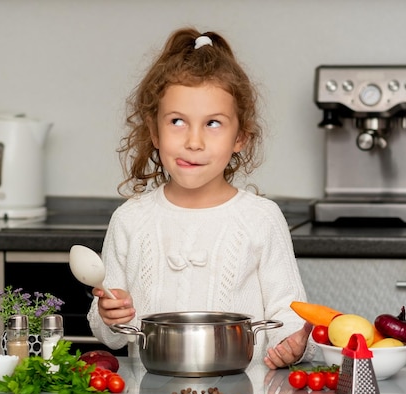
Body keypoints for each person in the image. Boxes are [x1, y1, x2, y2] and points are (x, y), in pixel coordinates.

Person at [87, 27, 314, 369]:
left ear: (241, 137)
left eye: (213, 124)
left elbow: (292, 313)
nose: (194, 141)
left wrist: (292, 344)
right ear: (154, 132)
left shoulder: (261, 218)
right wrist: (109, 314)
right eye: (177, 121)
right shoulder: (131, 219)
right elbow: (113, 335)